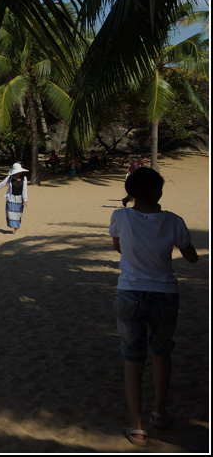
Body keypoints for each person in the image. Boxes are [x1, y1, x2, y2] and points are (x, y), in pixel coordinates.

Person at [109, 167, 198, 447]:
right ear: (156, 191)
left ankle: (137, 427)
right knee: (161, 354)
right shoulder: (173, 221)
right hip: (164, 294)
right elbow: (191, 257)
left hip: (130, 292)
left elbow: (118, 247)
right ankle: (160, 412)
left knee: (133, 360)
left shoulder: (120, 216)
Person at [0, 162, 29, 233]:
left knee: (18, 214)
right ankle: (14, 227)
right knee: (10, 213)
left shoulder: (24, 178)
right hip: (11, 198)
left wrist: (25, 200)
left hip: (19, 199)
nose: (18, 173)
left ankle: (16, 229)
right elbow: (2, 184)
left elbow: (24, 190)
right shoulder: (10, 178)